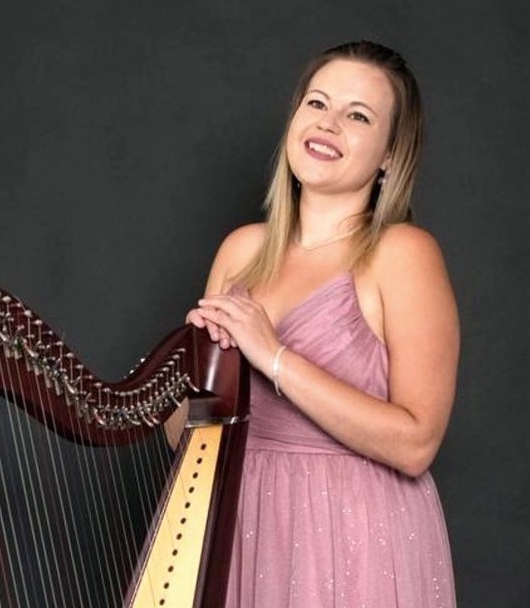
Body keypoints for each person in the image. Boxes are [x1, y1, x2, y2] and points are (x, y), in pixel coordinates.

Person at [168, 41, 459, 607]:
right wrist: (191, 375)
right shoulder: (241, 251)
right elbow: (188, 439)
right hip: (236, 523)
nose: (328, 123)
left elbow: (416, 443)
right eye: (317, 103)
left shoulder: (403, 253)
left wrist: (273, 356)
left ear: (390, 155)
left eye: (358, 115)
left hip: (353, 535)